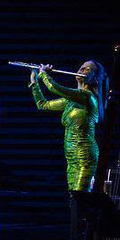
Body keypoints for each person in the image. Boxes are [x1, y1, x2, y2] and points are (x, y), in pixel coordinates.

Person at [29, 61, 107, 192]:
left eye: (86, 69)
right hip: (71, 157)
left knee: (81, 198)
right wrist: (34, 81)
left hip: (85, 157)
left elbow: (54, 88)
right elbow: (42, 104)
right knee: (73, 199)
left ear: (94, 77)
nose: (81, 70)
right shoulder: (72, 100)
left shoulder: (87, 97)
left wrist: (44, 75)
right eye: (81, 67)